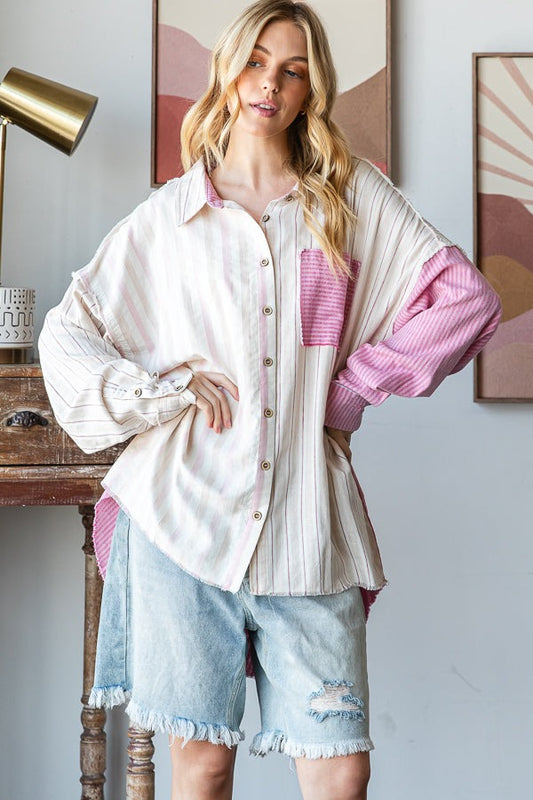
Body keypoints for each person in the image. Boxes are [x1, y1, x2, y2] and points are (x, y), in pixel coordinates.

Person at [38, 2, 501, 798]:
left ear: (310, 88)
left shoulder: (347, 202)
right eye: (256, 61)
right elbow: (66, 335)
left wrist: (351, 388)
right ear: (228, 70)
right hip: (180, 522)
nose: (270, 84)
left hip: (303, 524)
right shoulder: (167, 218)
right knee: (202, 766)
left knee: (338, 770)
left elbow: (466, 300)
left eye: (292, 69)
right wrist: (162, 391)